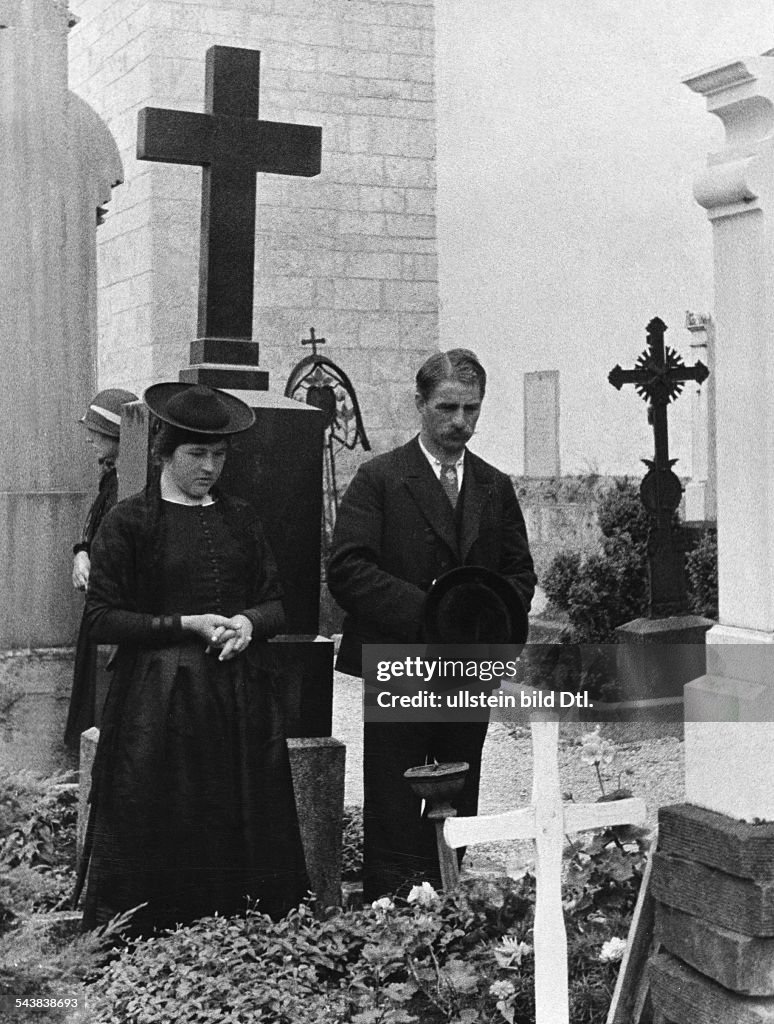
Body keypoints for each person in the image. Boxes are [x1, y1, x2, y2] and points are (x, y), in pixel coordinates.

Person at [78, 383, 308, 934]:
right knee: (163, 812)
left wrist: (249, 624)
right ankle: (153, 937)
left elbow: (279, 604)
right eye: (196, 454)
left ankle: (236, 934)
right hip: (156, 706)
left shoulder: (242, 519)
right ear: (164, 452)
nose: (210, 467)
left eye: (220, 455)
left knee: (236, 815)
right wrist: (182, 624)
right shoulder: (131, 522)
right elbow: (101, 619)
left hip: (236, 702)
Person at [327, 349, 536, 901]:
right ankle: (390, 909)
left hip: (469, 667)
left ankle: (446, 896)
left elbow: (518, 574)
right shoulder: (380, 479)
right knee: (397, 789)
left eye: (472, 408)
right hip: (401, 661)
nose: (460, 422)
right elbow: (347, 569)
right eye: (447, 407)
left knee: (460, 784)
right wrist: (432, 613)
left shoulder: (494, 486)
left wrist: (491, 629)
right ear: (420, 404)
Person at [64, 388, 138, 751]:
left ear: (117, 434)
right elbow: (95, 529)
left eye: (97, 432)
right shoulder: (111, 479)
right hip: (100, 604)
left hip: (121, 609)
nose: (90, 439)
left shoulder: (138, 483)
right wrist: (81, 553)